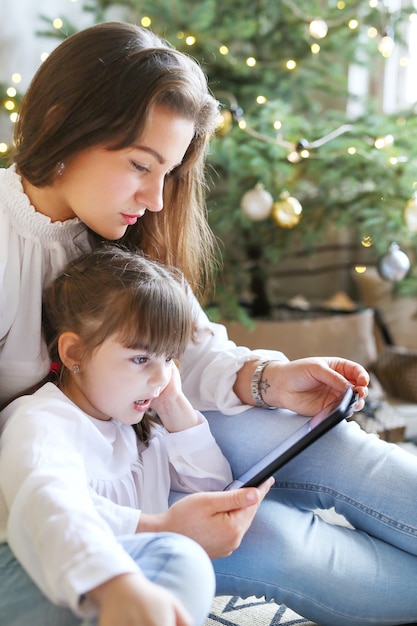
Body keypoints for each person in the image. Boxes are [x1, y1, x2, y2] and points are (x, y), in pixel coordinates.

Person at [0, 19, 416, 626]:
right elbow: (40, 490)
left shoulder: (121, 232)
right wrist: (158, 525)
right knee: (277, 540)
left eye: (167, 172)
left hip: (134, 441)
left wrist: (267, 380)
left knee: (328, 446)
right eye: (141, 165)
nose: (158, 199)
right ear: (64, 124)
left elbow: (185, 352)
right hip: (58, 502)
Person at [0, 245, 266, 626]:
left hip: (106, 582)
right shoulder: (41, 422)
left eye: (168, 358)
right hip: (37, 575)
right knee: (181, 558)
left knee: (182, 558)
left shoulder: (136, 428)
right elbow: (53, 505)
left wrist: (173, 403)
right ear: (74, 351)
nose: (159, 377)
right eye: (141, 359)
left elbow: (211, 488)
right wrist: (156, 537)